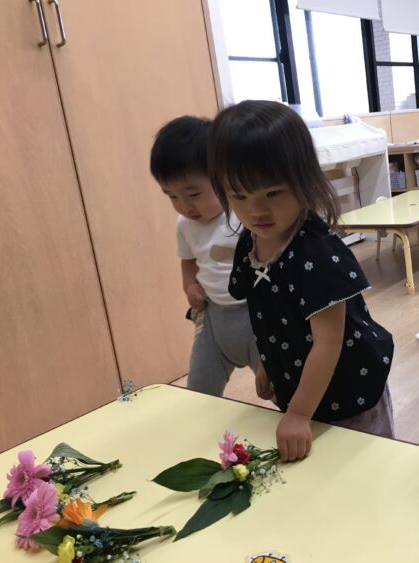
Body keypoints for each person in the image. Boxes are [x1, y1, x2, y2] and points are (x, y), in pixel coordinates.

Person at [207, 100, 395, 462]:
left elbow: (328, 341)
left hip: (350, 389)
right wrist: (267, 362)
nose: (256, 210)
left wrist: (297, 414)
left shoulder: (316, 252)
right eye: (239, 196)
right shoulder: (250, 242)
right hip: (303, 393)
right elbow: (264, 313)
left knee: (364, 469)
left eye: (273, 193)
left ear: (304, 181)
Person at [150, 116, 257, 396]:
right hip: (213, 319)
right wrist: (189, 286)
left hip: (255, 314)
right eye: (172, 196)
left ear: (223, 178)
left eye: (194, 194)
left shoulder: (244, 216)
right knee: (198, 391)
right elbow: (188, 260)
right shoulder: (185, 225)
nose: (185, 206)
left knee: (282, 387)